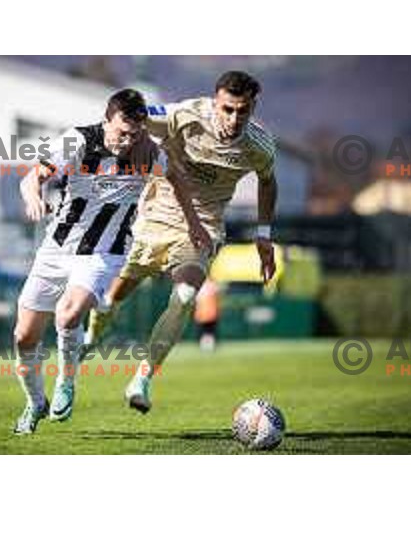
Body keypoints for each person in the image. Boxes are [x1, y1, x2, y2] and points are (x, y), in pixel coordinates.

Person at [12, 88, 205, 434]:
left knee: (69, 313)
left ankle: (66, 383)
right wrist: (33, 198)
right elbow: (32, 177)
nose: (125, 141)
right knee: (24, 337)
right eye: (120, 132)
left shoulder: (148, 152)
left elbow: (177, 179)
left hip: (106, 251)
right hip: (56, 248)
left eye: (134, 133)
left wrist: (193, 223)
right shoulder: (78, 142)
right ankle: (34, 402)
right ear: (106, 121)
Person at [86, 71, 278, 414]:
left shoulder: (258, 146)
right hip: (151, 219)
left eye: (242, 111)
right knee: (112, 299)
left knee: (186, 295)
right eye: (227, 109)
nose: (234, 118)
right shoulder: (183, 115)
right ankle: (93, 332)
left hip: (201, 228)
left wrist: (263, 235)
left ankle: (141, 379)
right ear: (214, 101)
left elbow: (267, 181)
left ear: (253, 107)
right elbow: (134, 117)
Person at [194, 278, 220, 352]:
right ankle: (207, 345)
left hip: (206, 313)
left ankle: (207, 345)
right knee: (208, 331)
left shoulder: (202, 287)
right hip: (207, 313)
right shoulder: (212, 286)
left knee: (207, 331)